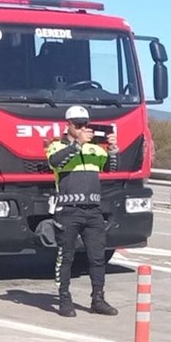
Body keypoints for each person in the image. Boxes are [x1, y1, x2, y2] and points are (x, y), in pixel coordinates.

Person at [46, 105, 118, 318]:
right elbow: (54, 162)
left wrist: (113, 149)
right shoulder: (56, 146)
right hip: (68, 210)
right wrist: (77, 145)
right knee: (66, 256)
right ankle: (64, 299)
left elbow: (110, 168)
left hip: (93, 210)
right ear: (68, 125)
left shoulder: (95, 148)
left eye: (85, 124)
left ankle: (98, 298)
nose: (82, 128)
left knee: (98, 257)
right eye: (78, 125)